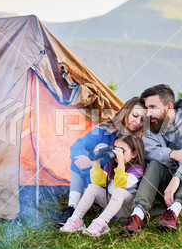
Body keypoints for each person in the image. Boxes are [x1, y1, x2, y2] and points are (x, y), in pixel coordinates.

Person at [119, 84, 182, 234]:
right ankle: (138, 215)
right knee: (154, 163)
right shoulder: (152, 127)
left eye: (153, 107)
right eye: (147, 107)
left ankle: (173, 212)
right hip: (167, 191)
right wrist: (172, 154)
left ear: (169, 106)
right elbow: (149, 151)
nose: (149, 113)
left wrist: (178, 177)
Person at [54, 97, 147, 227]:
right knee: (78, 158)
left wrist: (100, 160)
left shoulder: (140, 141)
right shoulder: (105, 129)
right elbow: (78, 145)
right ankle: (72, 207)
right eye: (135, 115)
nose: (137, 122)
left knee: (99, 156)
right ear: (126, 111)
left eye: (143, 119)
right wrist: (89, 159)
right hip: (98, 180)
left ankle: (96, 210)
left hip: (121, 187)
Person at [60, 134, 145, 236]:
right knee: (93, 187)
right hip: (111, 205)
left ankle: (102, 222)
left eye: (122, 150)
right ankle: (76, 219)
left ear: (134, 154)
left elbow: (121, 184)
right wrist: (96, 162)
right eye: (115, 149)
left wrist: (121, 164)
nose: (117, 153)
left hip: (126, 210)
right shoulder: (111, 165)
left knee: (120, 191)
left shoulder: (137, 169)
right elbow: (98, 182)